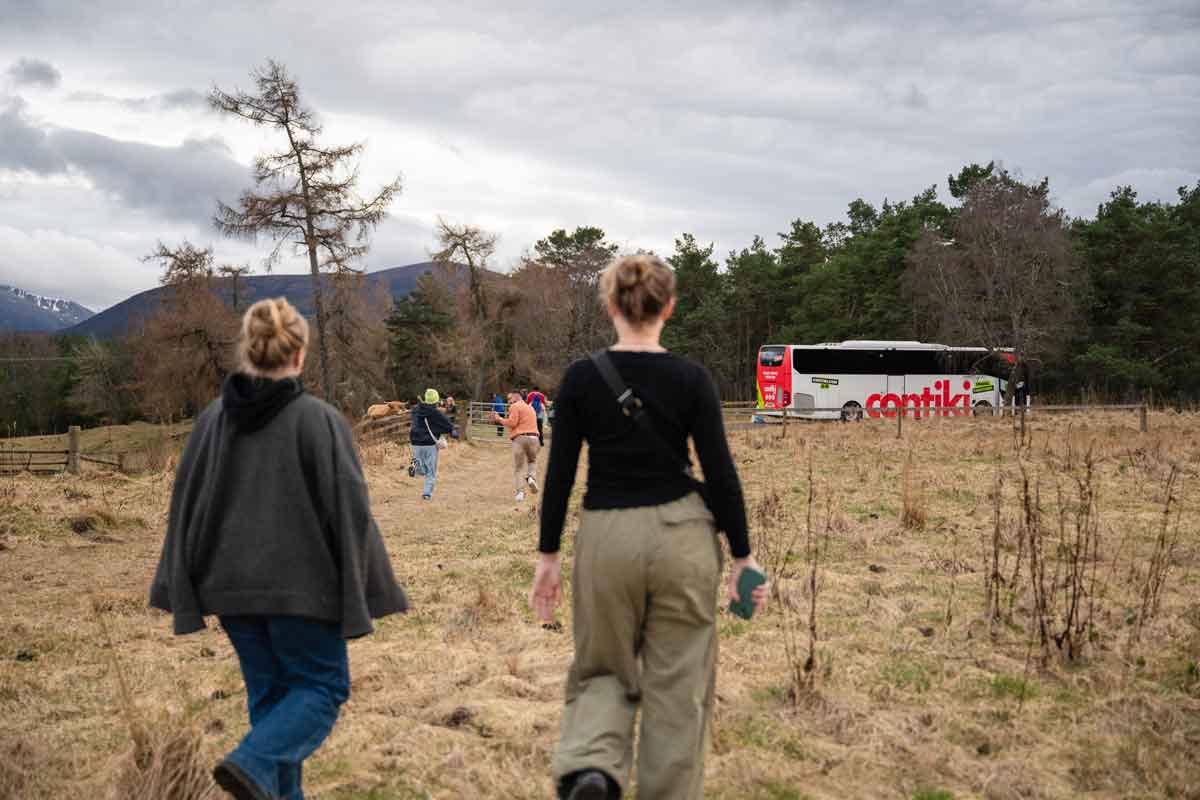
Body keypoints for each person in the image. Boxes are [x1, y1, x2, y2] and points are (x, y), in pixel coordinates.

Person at [149, 297, 408, 800]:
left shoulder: (211, 421)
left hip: (233, 593)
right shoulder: (318, 420)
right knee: (321, 690)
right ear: (298, 355)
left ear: (248, 351)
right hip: (302, 594)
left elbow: (185, 504)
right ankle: (250, 760)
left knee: (271, 705)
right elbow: (350, 510)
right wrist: (363, 587)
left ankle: (260, 771)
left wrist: (185, 579)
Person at [531, 255, 769, 800]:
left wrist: (548, 558)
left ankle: (592, 769)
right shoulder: (692, 379)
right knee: (679, 683)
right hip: (683, 538)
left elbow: (561, 476)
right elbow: (721, 474)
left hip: (607, 536)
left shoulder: (582, 378)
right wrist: (742, 558)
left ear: (611, 306)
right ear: (669, 307)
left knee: (601, 669)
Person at [491, 390, 541, 503]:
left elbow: (512, 423)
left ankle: (520, 493)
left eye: (509, 399)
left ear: (516, 397)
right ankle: (531, 478)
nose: (508, 402)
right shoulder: (531, 408)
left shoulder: (515, 406)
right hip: (534, 438)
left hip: (520, 438)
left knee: (519, 468)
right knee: (532, 461)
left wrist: (499, 419)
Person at [410, 388, 458, 500]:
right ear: (436, 400)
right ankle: (427, 494)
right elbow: (446, 423)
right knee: (431, 471)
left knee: (420, 465)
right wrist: (451, 431)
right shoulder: (435, 412)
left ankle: (415, 466)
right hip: (429, 443)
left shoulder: (416, 409)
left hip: (415, 442)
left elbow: (415, 422)